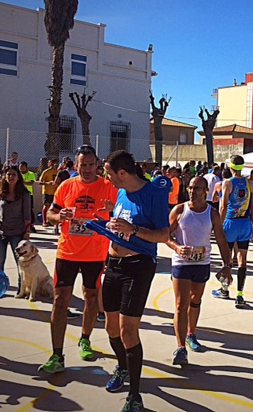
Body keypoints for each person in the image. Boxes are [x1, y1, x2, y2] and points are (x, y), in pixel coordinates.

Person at [100, 150, 170, 412]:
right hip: (113, 265)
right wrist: (109, 224)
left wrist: (135, 230)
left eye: (109, 173)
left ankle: (135, 396)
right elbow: (122, 223)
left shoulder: (153, 194)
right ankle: (122, 366)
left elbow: (163, 235)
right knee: (111, 328)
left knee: (128, 331)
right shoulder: (121, 193)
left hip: (138, 266)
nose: (107, 178)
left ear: (122, 173)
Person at [38, 145, 117, 374]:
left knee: (91, 297)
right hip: (68, 252)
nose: (88, 169)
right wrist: (58, 217)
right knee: (60, 300)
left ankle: (85, 338)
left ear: (98, 164)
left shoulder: (108, 187)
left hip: (95, 253)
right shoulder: (66, 186)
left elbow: (120, 214)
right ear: (76, 165)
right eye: (83, 165)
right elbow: (50, 213)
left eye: (91, 164)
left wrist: (112, 212)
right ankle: (57, 354)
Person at [166, 175, 233, 365]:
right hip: (181, 263)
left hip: (202, 263)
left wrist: (227, 265)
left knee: (195, 300)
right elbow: (165, 235)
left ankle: (191, 334)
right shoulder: (180, 210)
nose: (192, 191)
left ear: (206, 192)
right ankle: (180, 348)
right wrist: (177, 247)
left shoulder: (212, 214)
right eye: (190, 187)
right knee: (181, 304)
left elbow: (221, 239)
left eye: (196, 188)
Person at [214, 155, 253, 307]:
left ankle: (225, 289)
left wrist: (219, 225)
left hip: (230, 222)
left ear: (230, 167)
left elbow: (223, 206)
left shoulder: (227, 182)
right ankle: (240, 294)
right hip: (245, 222)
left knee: (226, 258)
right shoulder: (250, 183)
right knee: (242, 260)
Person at [0, 167, 31, 289]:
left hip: (17, 232)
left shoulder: (24, 194)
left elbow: (27, 215)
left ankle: (21, 287)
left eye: (14, 175)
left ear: (18, 177)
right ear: (4, 176)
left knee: (19, 260)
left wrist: (27, 231)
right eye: (8, 174)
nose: (11, 177)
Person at [39, 159, 59, 226]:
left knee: (54, 207)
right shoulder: (46, 172)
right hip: (47, 191)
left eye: (54, 164)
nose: (53, 165)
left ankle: (51, 221)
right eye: (51, 163)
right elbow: (40, 182)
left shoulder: (58, 172)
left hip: (55, 192)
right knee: (46, 205)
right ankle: (44, 221)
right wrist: (47, 183)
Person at [19, 161, 37, 229]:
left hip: (28, 194)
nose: (22, 168)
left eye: (23, 167)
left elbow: (31, 183)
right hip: (19, 194)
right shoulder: (18, 174)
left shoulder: (30, 174)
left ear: (26, 167)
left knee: (29, 209)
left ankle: (31, 224)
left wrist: (22, 183)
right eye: (20, 167)